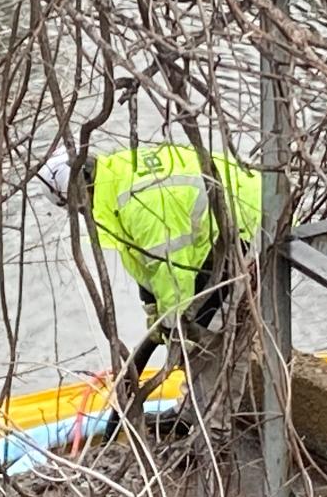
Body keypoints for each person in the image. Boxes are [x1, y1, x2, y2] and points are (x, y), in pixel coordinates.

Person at [39, 143, 261, 347]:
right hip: (227, 222)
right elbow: (145, 254)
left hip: (252, 223)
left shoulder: (137, 203)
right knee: (199, 324)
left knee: (204, 338)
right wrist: (153, 304)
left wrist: (172, 325)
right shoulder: (119, 175)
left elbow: (172, 271)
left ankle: (215, 385)